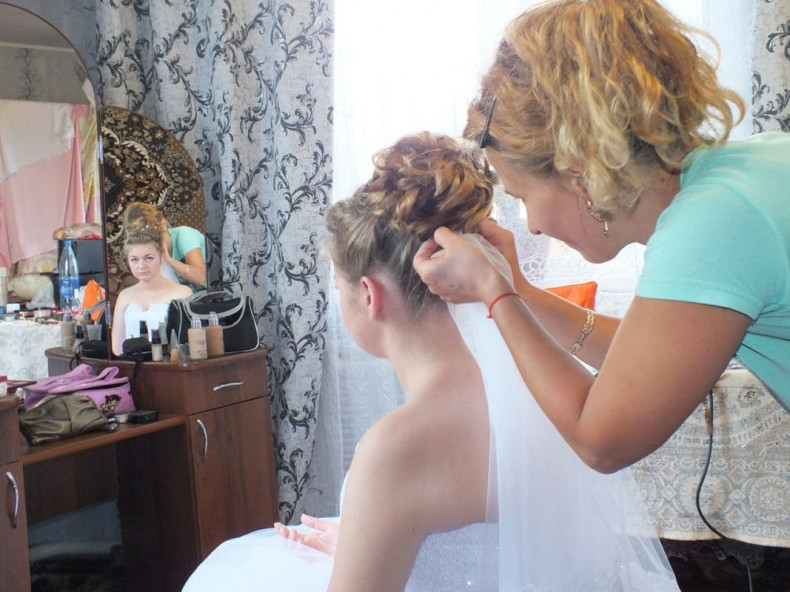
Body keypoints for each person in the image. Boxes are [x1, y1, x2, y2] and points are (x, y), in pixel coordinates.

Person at [183, 132, 679, 591]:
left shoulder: (395, 450)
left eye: (338, 287)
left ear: (369, 295)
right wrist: (365, 549)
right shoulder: (548, 395)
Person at [413, 0, 790, 475]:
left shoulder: (712, 226)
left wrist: (496, 293)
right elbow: (646, 361)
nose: (532, 225)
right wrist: (520, 290)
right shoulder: (747, 167)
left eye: (524, 196)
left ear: (581, 175)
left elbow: (602, 442)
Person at [110, 214, 192, 356]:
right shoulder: (124, 296)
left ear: (161, 257)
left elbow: (188, 345)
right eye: (134, 259)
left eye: (148, 258)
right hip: (130, 365)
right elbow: (117, 350)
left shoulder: (182, 294)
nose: (141, 266)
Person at [122, 201, 207, 289]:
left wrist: (169, 260)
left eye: (156, 238)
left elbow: (201, 278)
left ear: (163, 225)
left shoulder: (185, 235)